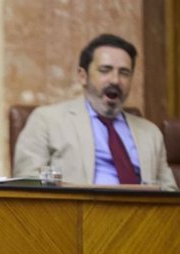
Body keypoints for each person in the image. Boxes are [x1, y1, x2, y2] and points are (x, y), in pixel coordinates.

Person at [13, 34, 178, 191]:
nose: (115, 80)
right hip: (76, 217)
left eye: (124, 73)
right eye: (105, 70)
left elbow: (170, 194)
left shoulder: (150, 133)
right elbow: (29, 185)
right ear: (82, 76)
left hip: (143, 217)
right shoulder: (47, 121)